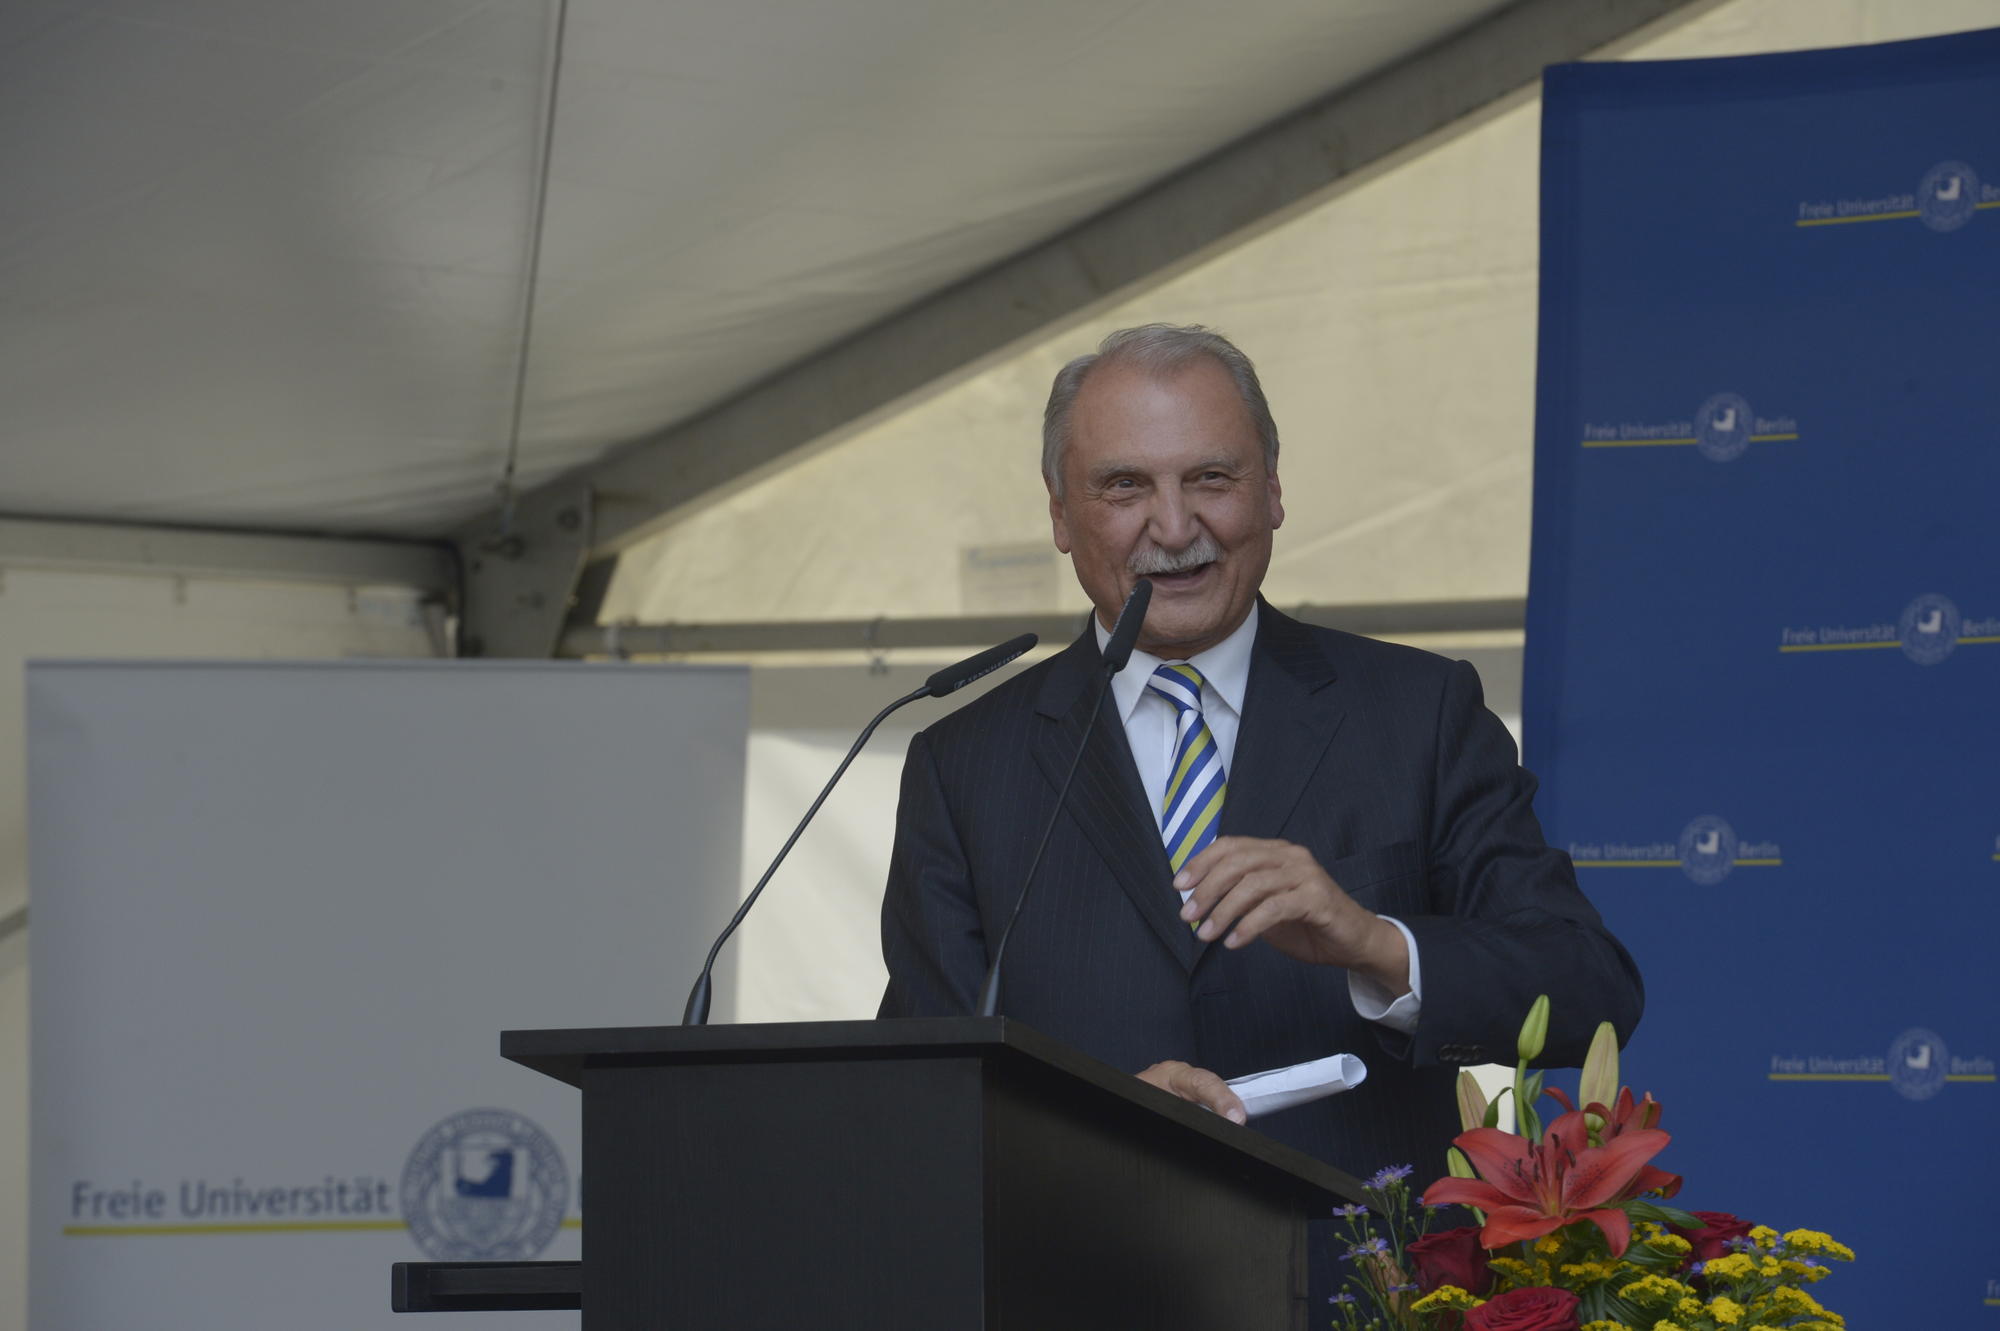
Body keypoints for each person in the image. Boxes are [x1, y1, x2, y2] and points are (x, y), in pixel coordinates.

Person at [878, 323, 1641, 1191]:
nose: (1173, 526)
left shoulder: (1419, 712)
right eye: (1124, 485)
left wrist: (1375, 942)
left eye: (1211, 477)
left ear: (1273, 490)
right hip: (1073, 1276)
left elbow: (1588, 990)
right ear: (1059, 512)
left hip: (1358, 1293)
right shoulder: (963, 763)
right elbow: (922, 1086)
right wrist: (1093, 1121)